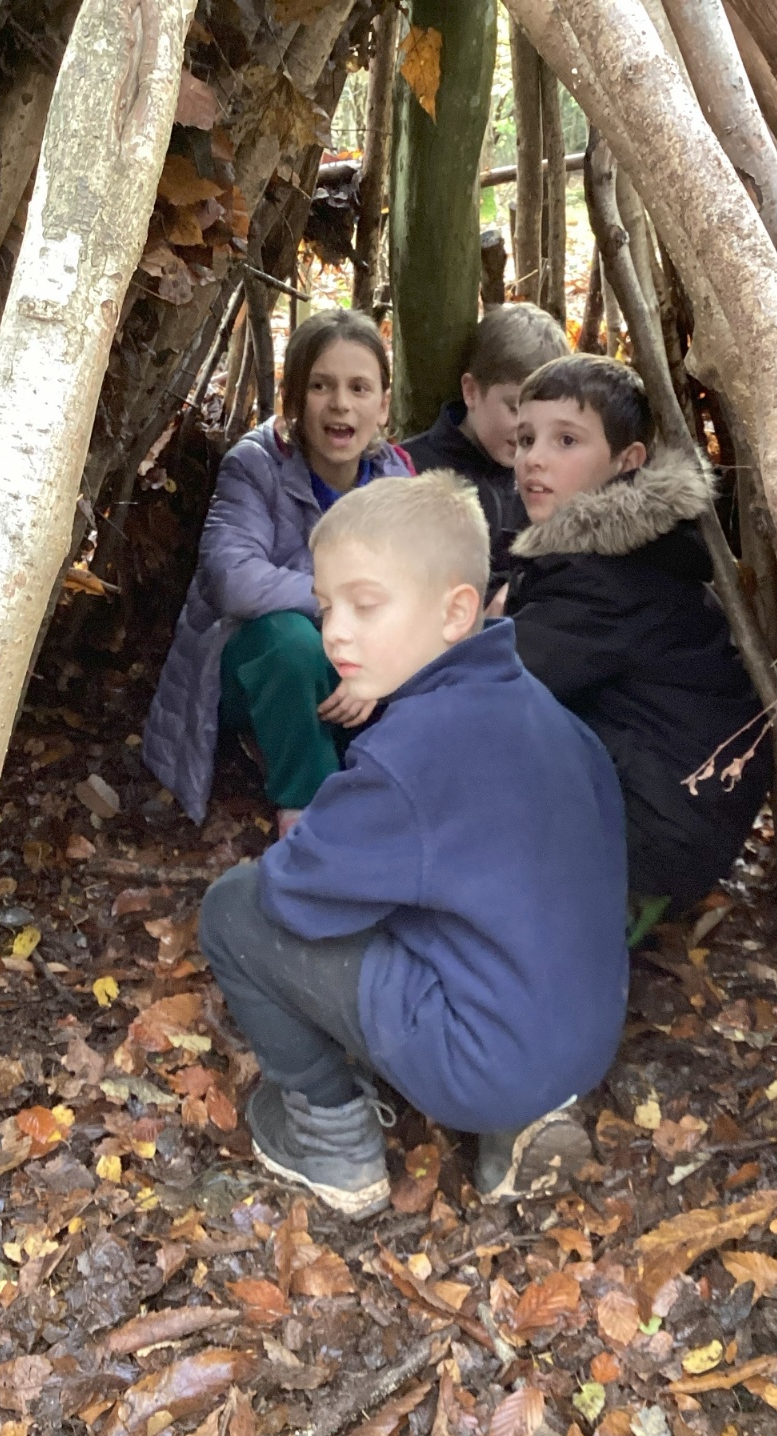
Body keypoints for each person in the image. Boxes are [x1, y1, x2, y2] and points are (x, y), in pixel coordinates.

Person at [199, 472, 629, 1218]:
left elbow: (292, 893)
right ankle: (521, 1120)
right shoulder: (547, 713)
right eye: (327, 605)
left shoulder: (411, 753)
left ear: (455, 611)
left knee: (233, 907)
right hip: (583, 1040)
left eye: (366, 605)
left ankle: (331, 1138)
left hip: (482, 1060)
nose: (335, 631)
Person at [505, 354, 770, 926]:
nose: (534, 458)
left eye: (566, 440)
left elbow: (498, 674)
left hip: (648, 842)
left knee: (469, 718)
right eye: (525, 439)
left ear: (628, 461)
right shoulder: (618, 547)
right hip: (660, 808)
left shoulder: (613, 575)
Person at [143, 309, 413, 832]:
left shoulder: (395, 480)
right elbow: (233, 580)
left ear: (382, 406)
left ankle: (400, 787)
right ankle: (306, 808)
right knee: (289, 640)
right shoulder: (255, 464)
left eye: (359, 388)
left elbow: (418, 596)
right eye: (321, 386)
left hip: (351, 666)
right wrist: (345, 603)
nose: (340, 403)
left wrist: (377, 667)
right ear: (292, 401)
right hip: (251, 669)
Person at [403, 304, 569, 593]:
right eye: (515, 408)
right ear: (471, 391)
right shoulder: (408, 470)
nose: (527, 432)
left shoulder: (551, 477)